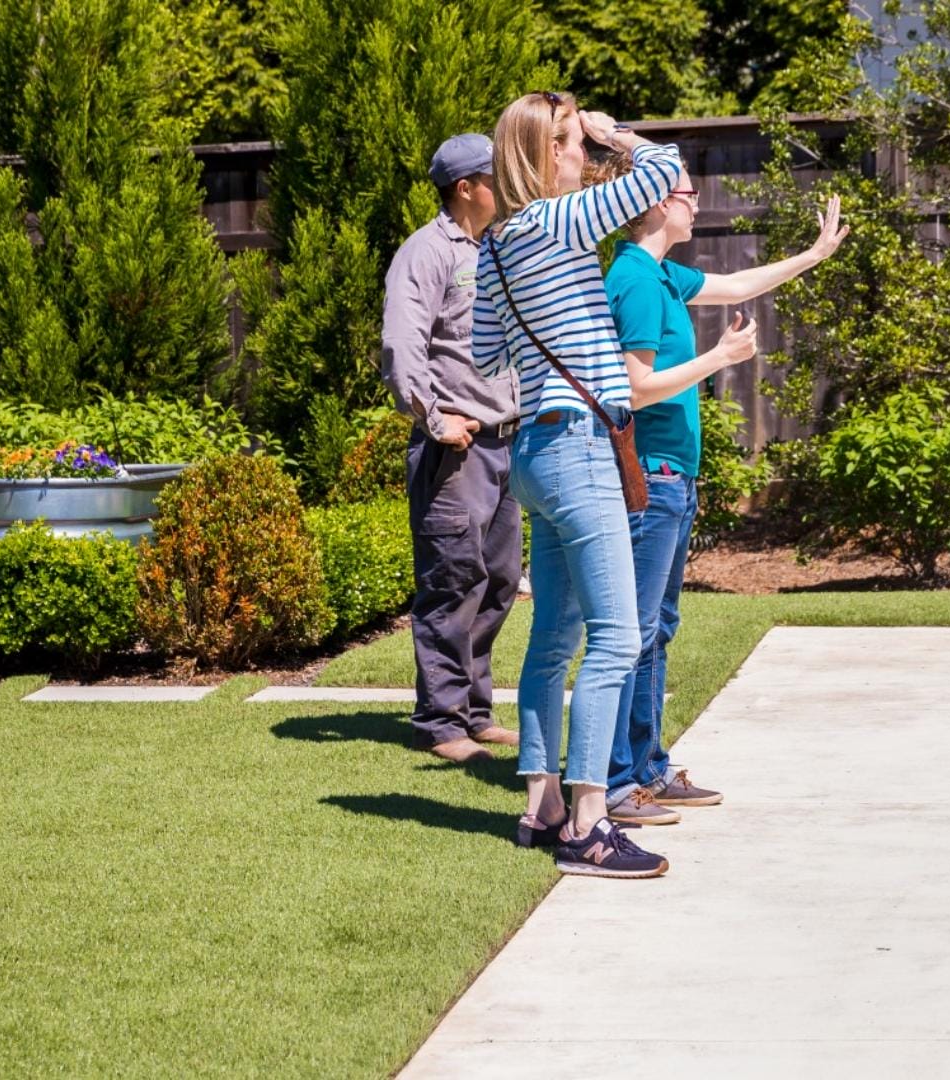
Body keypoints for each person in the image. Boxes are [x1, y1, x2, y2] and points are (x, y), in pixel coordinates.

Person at [593, 158, 849, 826]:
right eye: (687, 193)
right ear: (655, 203)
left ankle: (647, 767)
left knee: (658, 628)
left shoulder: (660, 276)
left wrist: (814, 254)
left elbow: (736, 280)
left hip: (673, 481)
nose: (696, 201)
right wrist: (719, 360)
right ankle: (619, 784)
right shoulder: (637, 282)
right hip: (651, 480)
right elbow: (635, 388)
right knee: (636, 632)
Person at [471, 91, 684, 878]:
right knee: (619, 637)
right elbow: (662, 172)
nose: (582, 156)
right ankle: (590, 823)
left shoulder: (495, 246)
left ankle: (541, 801)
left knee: (554, 638)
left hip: (535, 448)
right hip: (580, 448)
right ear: (540, 154)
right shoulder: (555, 222)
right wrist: (614, 132)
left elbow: (484, 353)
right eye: (569, 143)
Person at [379, 133, 523, 764]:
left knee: (497, 580)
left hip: (508, 444)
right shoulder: (426, 252)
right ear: (466, 187)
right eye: (496, 178)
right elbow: (403, 343)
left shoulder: (498, 247)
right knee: (451, 581)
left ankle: (474, 710)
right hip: (456, 451)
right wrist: (433, 419)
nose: (507, 186)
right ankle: (441, 723)